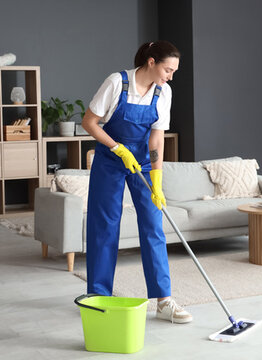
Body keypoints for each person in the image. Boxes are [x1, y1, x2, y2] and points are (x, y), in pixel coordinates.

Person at [81, 40, 191, 323]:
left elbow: (157, 138)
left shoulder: (163, 92)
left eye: (174, 71)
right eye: (168, 69)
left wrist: (156, 180)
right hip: (110, 160)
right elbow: (89, 122)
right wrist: (117, 148)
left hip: (142, 162)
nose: (171, 76)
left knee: (154, 226)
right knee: (104, 227)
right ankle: (98, 297)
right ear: (152, 62)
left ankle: (164, 300)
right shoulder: (117, 83)